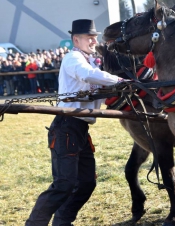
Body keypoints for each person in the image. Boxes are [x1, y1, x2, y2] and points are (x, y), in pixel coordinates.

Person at [26, 19, 126, 226]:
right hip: (66, 127)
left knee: (86, 183)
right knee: (64, 184)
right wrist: (119, 81)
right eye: (89, 38)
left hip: (80, 129)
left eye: (95, 37)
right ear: (75, 40)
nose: (93, 41)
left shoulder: (90, 62)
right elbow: (88, 76)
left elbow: (96, 88)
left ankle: (62, 222)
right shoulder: (73, 58)